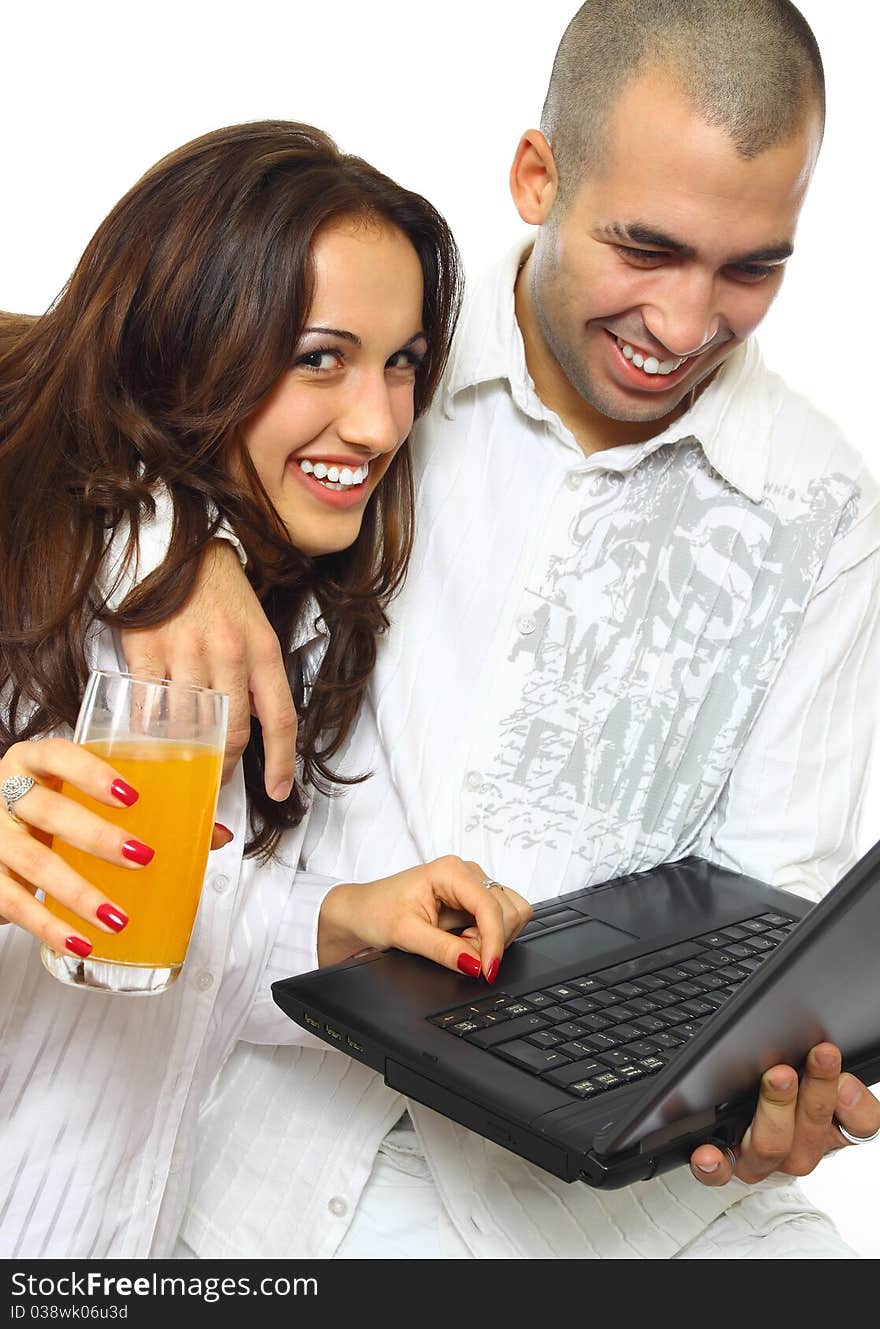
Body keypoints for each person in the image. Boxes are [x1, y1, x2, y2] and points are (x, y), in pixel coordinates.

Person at [133, 1, 880, 1259]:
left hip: (625, 1208)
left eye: (751, 267)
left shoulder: (821, 506)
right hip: (276, 1153)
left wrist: (772, 1070)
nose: (687, 325)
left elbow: (776, 898)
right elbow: (78, 394)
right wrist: (161, 544)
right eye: (646, 248)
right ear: (537, 175)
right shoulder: (367, 351)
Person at [0, 120, 538, 1259]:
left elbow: (151, 965)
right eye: (320, 357)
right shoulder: (40, 552)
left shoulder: (269, 616)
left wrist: (341, 922)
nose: (382, 421)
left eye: (401, 364)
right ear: (189, 340)